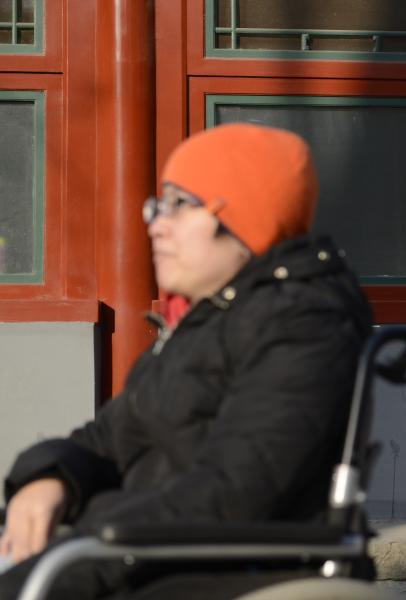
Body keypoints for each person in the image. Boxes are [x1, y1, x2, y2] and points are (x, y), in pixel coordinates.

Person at [0, 123, 373, 599]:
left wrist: (86, 544)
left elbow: (234, 491)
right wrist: (50, 478)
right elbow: (106, 439)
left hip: (220, 568)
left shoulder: (304, 325)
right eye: (159, 204)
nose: (156, 223)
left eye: (180, 203)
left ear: (243, 216)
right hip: (138, 552)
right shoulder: (201, 323)